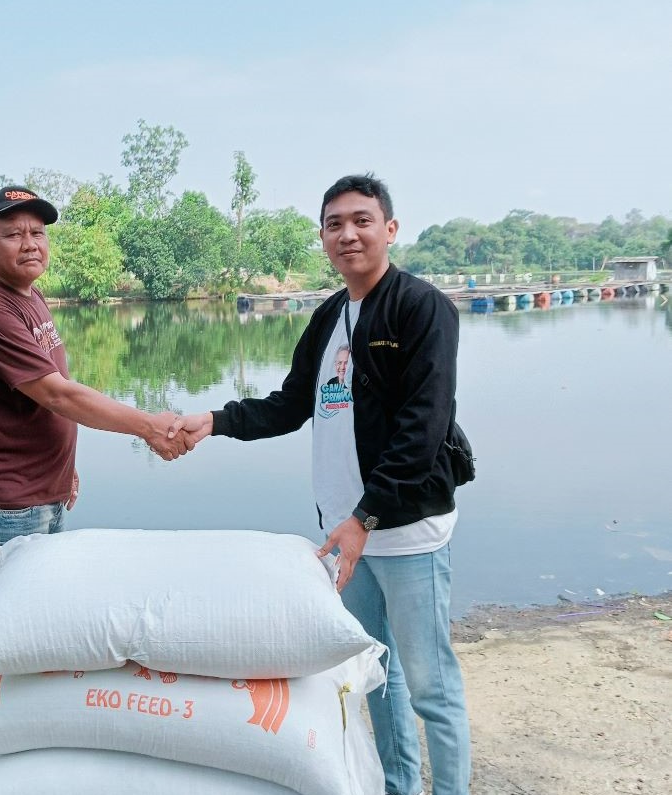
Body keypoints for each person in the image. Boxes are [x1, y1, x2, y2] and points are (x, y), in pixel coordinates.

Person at [177, 174, 471, 795]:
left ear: (390, 229)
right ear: (322, 238)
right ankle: (399, 786)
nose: (348, 234)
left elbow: (423, 428)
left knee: (430, 687)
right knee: (375, 676)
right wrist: (213, 421)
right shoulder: (330, 315)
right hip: (344, 532)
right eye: (335, 224)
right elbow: (290, 405)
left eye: (362, 220)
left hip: (405, 530)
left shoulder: (420, 308)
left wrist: (366, 518)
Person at [0, 186, 190, 563]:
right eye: (13, 234)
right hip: (5, 505)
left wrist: (62, 469)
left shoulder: (30, 294)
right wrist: (149, 426)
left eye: (38, 233)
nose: (29, 244)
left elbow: (45, 392)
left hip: (39, 493)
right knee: (16, 619)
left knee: (40, 616)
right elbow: (58, 395)